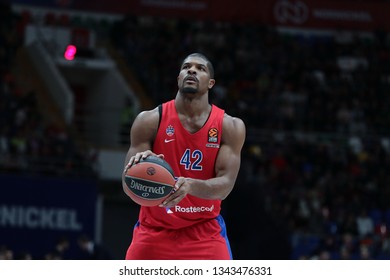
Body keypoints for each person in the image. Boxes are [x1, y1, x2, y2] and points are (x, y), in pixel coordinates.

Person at [122, 53, 246, 260]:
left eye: (201, 68)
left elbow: (225, 185)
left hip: (204, 231)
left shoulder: (230, 126)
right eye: (186, 67)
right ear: (179, 78)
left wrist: (189, 185)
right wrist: (141, 167)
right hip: (154, 230)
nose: (192, 70)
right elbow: (128, 186)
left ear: (211, 83)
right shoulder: (149, 120)